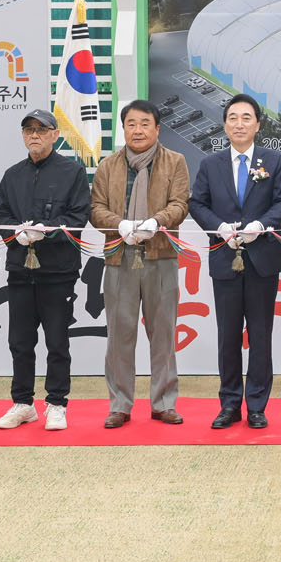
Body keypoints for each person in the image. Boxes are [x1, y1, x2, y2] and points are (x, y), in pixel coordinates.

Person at [188, 93, 281, 429]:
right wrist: (218, 227)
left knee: (260, 335)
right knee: (228, 335)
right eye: (233, 118)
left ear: (258, 124)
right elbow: (196, 204)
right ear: (224, 125)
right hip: (225, 258)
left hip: (263, 259)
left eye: (246, 118)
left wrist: (261, 225)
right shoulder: (210, 164)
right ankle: (230, 404)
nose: (239, 124)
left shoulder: (274, 160)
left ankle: (257, 405)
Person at [91, 99, 191, 428]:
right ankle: (119, 404)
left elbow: (180, 203)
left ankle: (163, 403)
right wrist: (118, 224)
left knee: (162, 334)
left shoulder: (175, 162)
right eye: (131, 124)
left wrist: (156, 222)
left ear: (157, 128)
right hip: (119, 257)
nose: (138, 130)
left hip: (161, 256)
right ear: (123, 128)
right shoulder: (107, 166)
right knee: (120, 335)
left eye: (145, 123)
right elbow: (96, 209)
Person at [0, 109, 90, 432]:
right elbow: (0, 215)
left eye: (41, 129)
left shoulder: (72, 172)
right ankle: (23, 403)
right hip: (20, 270)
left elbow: (78, 217)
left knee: (57, 342)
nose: (34, 135)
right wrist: (16, 233)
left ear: (55, 134)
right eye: (28, 130)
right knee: (20, 342)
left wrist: (46, 231)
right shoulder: (12, 175)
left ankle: (57, 403)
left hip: (58, 272)